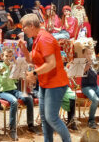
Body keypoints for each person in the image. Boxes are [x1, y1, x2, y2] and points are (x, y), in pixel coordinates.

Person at [19, 13, 71, 142]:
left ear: (31, 26)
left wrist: (34, 74)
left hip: (56, 83)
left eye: (23, 27)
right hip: (45, 83)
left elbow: (51, 64)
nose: (22, 30)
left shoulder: (44, 38)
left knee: (52, 118)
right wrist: (24, 49)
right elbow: (32, 59)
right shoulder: (37, 38)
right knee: (45, 118)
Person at [0, 49, 37, 140]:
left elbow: (15, 81)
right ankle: (12, 129)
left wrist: (18, 73)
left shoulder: (13, 66)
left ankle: (30, 125)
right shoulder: (0, 66)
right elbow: (2, 81)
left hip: (13, 90)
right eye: (6, 56)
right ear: (2, 56)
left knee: (29, 98)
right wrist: (9, 71)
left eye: (10, 56)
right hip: (3, 92)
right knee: (14, 102)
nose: (8, 58)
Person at [80, 44, 99, 128]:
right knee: (96, 100)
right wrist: (89, 64)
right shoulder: (81, 62)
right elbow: (82, 72)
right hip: (86, 87)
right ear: (84, 54)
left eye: (91, 53)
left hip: (95, 86)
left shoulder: (94, 62)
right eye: (88, 53)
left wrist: (97, 66)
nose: (90, 55)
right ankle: (91, 120)